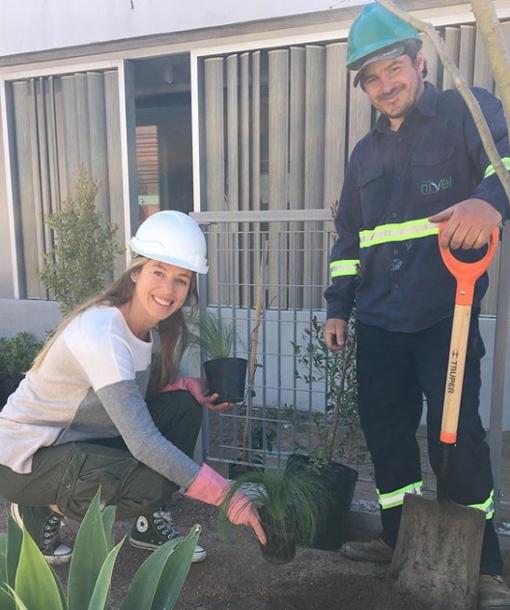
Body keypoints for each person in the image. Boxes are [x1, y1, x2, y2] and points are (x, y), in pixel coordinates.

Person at [324, 3, 510, 608]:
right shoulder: (362, 156)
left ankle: (482, 565)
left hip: (444, 315)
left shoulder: (468, 111)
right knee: (385, 433)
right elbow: (350, 240)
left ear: (418, 62)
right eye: (371, 78)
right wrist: (337, 307)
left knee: (456, 439)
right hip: (379, 321)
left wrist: (489, 201)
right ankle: (398, 537)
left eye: (393, 69)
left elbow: (505, 160)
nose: (385, 86)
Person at [0, 210, 266, 565]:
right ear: (136, 271)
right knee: (150, 483)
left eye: (181, 280)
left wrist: (188, 385)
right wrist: (226, 494)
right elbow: (142, 441)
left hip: (77, 441)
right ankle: (38, 508)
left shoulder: (149, 330)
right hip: (25, 458)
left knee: (183, 405)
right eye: (159, 272)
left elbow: (131, 393)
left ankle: (147, 526)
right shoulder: (103, 332)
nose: (168, 290)